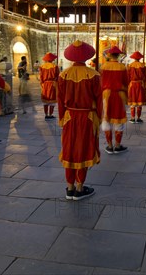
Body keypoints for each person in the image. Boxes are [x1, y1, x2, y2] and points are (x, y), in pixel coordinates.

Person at [58, 40, 102, 201]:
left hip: (69, 116)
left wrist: (62, 118)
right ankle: (79, 187)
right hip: (88, 117)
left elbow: (60, 100)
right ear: (87, 56)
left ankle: (69, 188)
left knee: (69, 149)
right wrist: (99, 117)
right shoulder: (94, 75)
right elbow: (99, 100)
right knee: (83, 149)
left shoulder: (63, 75)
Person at [99, 45, 129, 154]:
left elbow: (100, 82)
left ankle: (109, 145)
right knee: (119, 120)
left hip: (106, 95)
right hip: (120, 95)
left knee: (106, 119)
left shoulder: (103, 67)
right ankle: (117, 145)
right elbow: (126, 82)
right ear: (118, 55)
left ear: (109, 55)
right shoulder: (122, 67)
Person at [127, 51, 146, 123]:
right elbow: (144, 77)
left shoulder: (130, 65)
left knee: (132, 101)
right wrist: (144, 85)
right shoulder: (143, 66)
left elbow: (128, 77)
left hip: (132, 84)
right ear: (140, 58)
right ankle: (138, 118)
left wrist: (128, 85)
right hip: (140, 84)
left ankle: (132, 118)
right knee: (139, 101)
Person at [39, 52, 59, 120]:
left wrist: (42, 84)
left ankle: (46, 114)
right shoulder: (55, 66)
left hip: (45, 84)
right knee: (52, 100)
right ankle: (50, 114)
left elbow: (41, 76)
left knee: (46, 100)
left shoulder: (42, 66)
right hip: (52, 84)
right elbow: (57, 76)